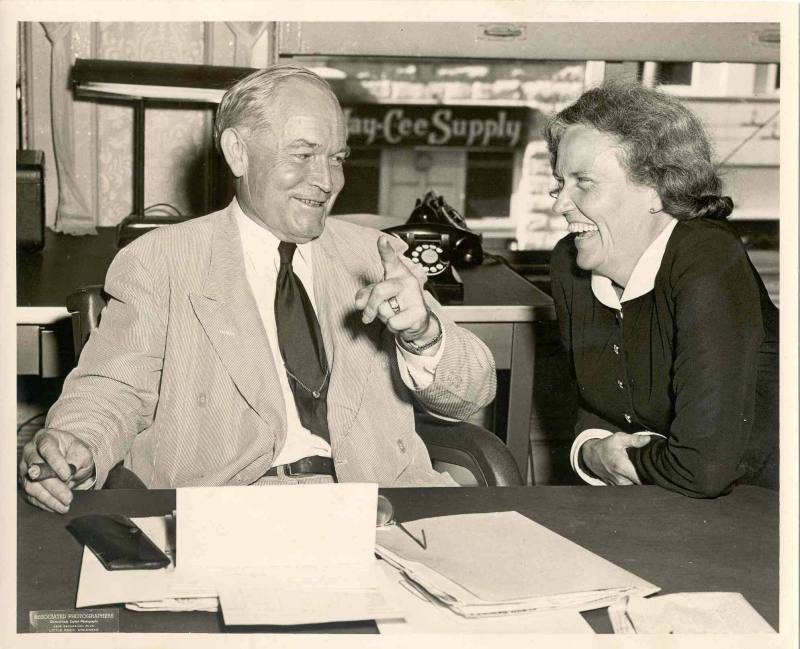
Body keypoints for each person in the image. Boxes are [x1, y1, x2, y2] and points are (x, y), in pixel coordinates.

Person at [19, 63, 496, 513]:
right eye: (303, 154)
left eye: (336, 158)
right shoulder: (161, 261)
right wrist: (76, 443)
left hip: (378, 509)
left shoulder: (375, 255)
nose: (326, 180)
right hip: (229, 511)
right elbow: (114, 388)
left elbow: (472, 393)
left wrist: (424, 334)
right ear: (238, 152)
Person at [546, 80, 778, 498]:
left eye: (583, 182)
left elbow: (701, 469)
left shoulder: (706, 258)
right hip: (664, 497)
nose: (560, 204)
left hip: (767, 501)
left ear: (655, 190)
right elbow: (593, 406)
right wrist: (590, 452)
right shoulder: (571, 263)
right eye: (559, 182)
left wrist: (618, 457)